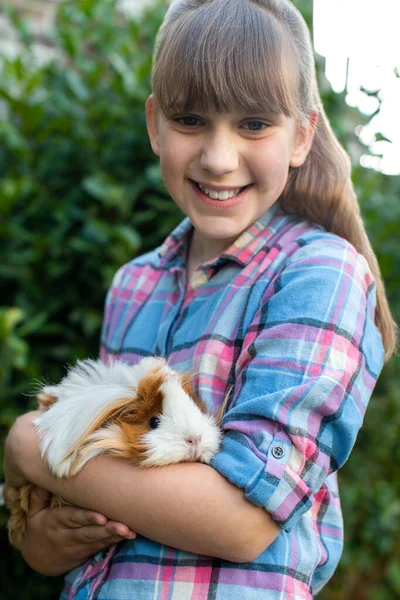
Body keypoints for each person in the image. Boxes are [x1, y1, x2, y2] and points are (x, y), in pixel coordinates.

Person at [4, 0, 397, 598]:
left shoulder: (322, 272)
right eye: (190, 119)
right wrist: (45, 539)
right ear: (155, 124)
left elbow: (241, 521)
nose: (218, 157)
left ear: (303, 135)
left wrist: (29, 446)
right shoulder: (133, 285)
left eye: (255, 124)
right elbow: (60, 526)